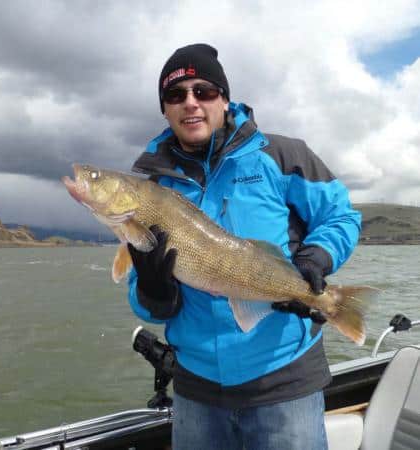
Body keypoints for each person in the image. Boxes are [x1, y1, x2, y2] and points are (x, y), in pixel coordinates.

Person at [127, 43, 361, 450]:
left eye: (204, 91)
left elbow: (341, 217)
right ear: (165, 109)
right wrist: (153, 292)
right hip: (196, 389)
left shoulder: (283, 155)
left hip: (284, 381)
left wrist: (317, 257)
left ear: (225, 98)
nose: (191, 103)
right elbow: (144, 304)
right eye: (176, 95)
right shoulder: (151, 188)